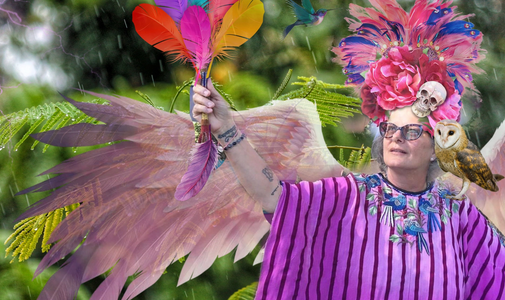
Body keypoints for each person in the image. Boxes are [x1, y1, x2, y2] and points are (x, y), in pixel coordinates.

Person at [191, 0, 505, 297]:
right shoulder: (348, 196)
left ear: (437, 146)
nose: (396, 137)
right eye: (389, 128)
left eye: (411, 130)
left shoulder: (460, 216)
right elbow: (274, 195)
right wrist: (225, 128)